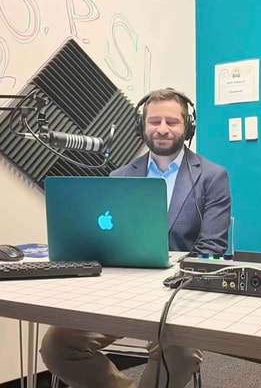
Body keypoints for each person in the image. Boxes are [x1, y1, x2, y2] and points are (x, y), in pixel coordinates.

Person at [40, 88, 232, 388]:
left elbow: (212, 248)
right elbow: (104, 242)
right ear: (142, 125)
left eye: (172, 121)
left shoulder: (212, 176)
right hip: (120, 295)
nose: (163, 129)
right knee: (57, 346)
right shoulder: (119, 177)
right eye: (155, 121)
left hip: (178, 299)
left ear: (188, 127)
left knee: (180, 355)